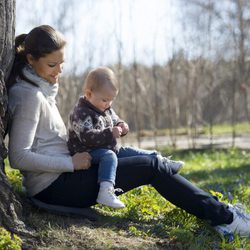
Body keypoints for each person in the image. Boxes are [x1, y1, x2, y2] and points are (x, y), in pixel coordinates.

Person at [6, 25, 250, 237]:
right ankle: (226, 220)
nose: (59, 71)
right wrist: (71, 164)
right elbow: (18, 157)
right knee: (151, 168)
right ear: (30, 59)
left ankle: (221, 211)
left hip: (64, 176)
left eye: (62, 63)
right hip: (55, 187)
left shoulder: (40, 90)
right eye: (52, 64)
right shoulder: (30, 97)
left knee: (149, 160)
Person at [67, 66, 184, 208]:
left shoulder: (104, 106)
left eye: (111, 100)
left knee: (133, 152)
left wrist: (122, 126)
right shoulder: (81, 113)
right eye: (105, 100)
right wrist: (110, 133)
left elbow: (115, 120)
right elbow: (87, 138)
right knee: (108, 156)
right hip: (87, 152)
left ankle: (161, 161)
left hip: (109, 148)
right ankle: (106, 191)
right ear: (89, 93)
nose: (109, 104)